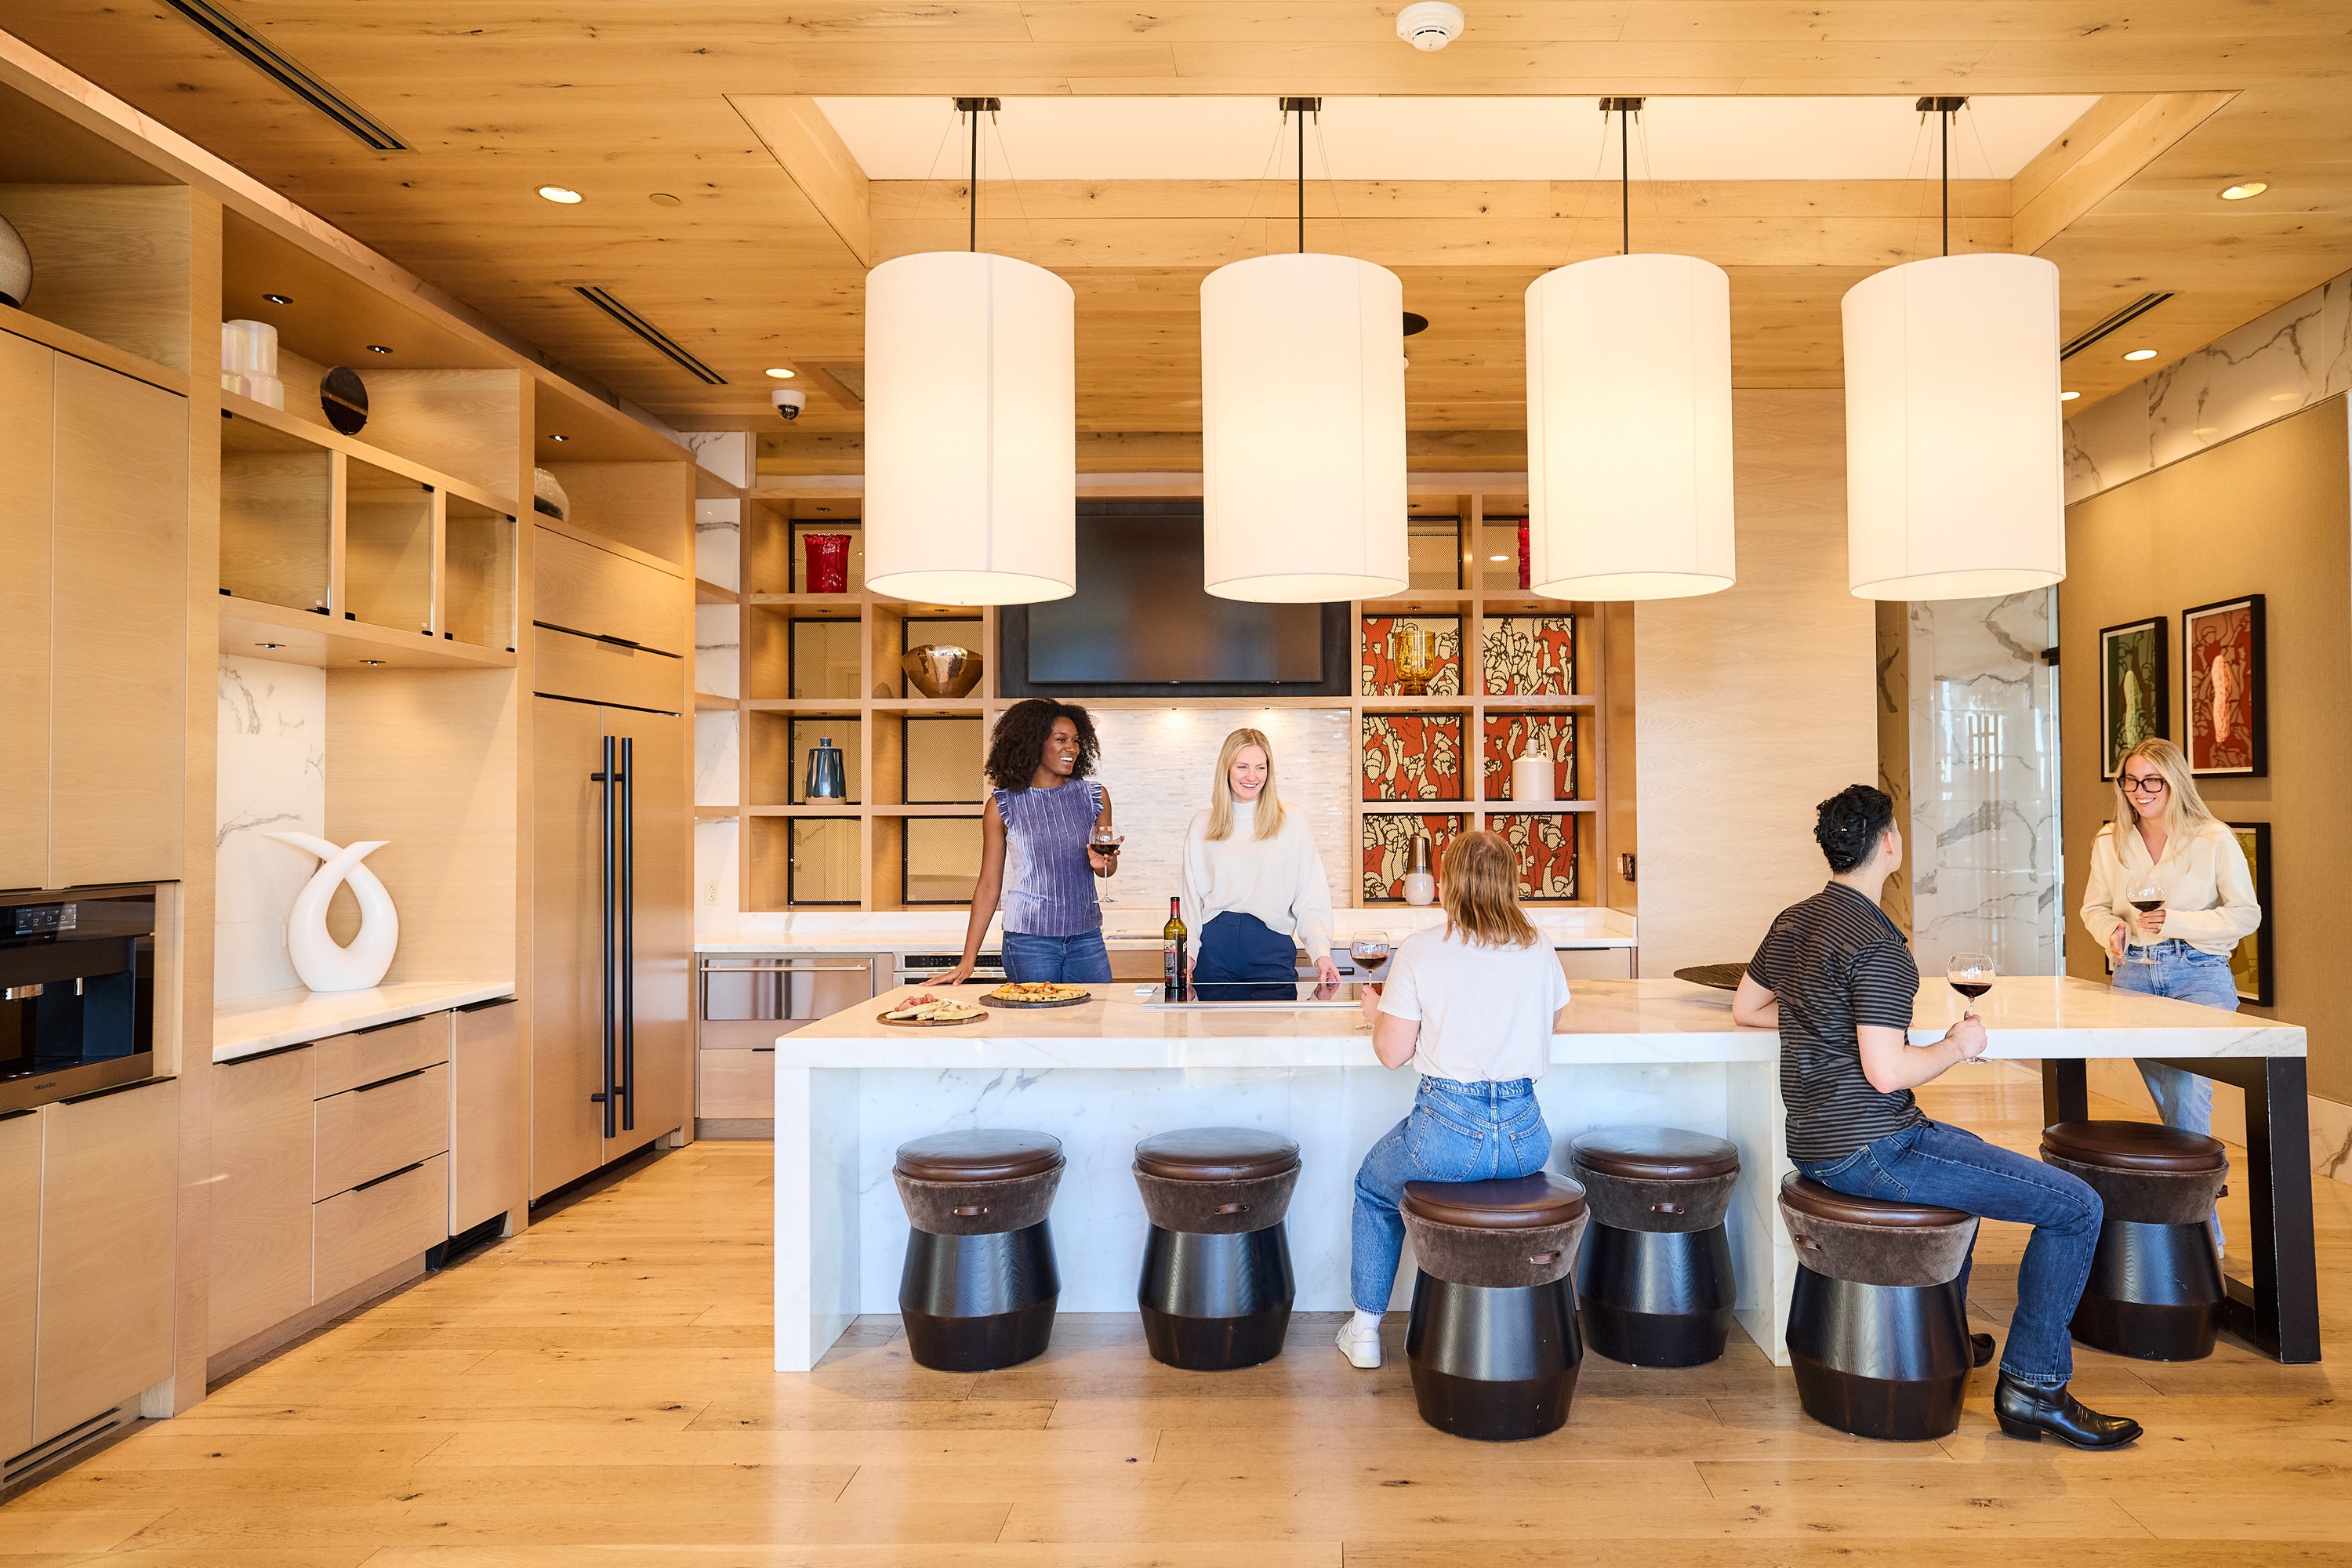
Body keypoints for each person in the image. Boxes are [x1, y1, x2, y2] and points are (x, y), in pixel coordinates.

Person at [1733, 785, 2142, 1450]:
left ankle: (1944, 1331)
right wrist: (1958, 1045)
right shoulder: (1878, 944)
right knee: (2078, 1206)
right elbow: (1887, 1073)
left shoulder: (1795, 920)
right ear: (1889, 844)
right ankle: (2034, 1387)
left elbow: (1747, 1009)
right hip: (1874, 1150)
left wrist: (1829, 1020)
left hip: (1814, 1142)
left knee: (1968, 1150)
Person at [1338, 830, 1571, 1370]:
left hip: (1447, 1135)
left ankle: (1366, 1330)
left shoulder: (1422, 948)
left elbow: (1392, 1053)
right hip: (1526, 1139)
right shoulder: (1537, 944)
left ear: (1447, 886)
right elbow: (1554, 1016)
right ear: (1511, 884)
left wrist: (1379, 1015)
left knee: (1373, 1189)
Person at [2079, 735, 2259, 1247]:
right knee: (2173, 1103)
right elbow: (2094, 908)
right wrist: (2110, 930)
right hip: (2134, 976)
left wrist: (2174, 921)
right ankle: (2191, 1211)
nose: (2140, 791)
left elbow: (2246, 914)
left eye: (2152, 781)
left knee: (2186, 1095)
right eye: (2131, 781)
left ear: (2175, 781)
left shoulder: (2212, 838)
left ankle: (2200, 1233)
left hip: (2199, 973)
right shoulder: (2111, 840)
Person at [942, 700, 1120, 986]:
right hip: (1029, 941)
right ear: (1034, 743)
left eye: (1076, 741)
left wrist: (1104, 863)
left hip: (1086, 938)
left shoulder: (1095, 797)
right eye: (1061, 740)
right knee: (1037, 1015)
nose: (1072, 748)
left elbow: (1106, 870)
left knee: (1097, 1013)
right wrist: (968, 959)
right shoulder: (1002, 805)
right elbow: (988, 885)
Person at [1179, 728, 1340, 1002]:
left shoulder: (1294, 821)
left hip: (1271, 950)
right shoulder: (1201, 824)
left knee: (1275, 1028)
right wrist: (1187, 955)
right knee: (1212, 1030)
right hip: (1214, 953)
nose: (1252, 777)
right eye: (1242, 767)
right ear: (1226, 769)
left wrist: (1321, 952)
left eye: (1260, 768)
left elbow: (1311, 897)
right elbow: (1188, 902)